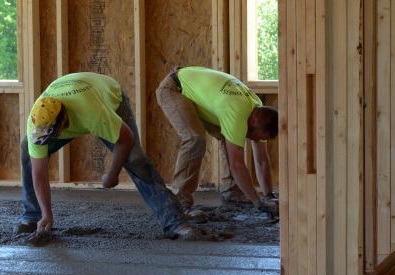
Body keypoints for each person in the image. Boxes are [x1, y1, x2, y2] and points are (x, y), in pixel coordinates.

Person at [19, 71, 196, 243]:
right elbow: (39, 172)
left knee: (135, 160)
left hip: (110, 97)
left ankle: (175, 222)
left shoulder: (90, 112)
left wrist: (113, 173)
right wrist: (46, 213)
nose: (46, 140)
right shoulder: (37, 121)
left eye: (51, 134)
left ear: (63, 120)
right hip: (78, 97)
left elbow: (125, 139)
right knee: (28, 150)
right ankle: (34, 217)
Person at [155, 66, 278, 216]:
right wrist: (258, 203)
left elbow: (262, 161)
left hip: (197, 93)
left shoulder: (257, 109)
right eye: (260, 136)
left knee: (226, 136)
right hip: (174, 89)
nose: (258, 140)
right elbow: (237, 165)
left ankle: (232, 193)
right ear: (255, 121)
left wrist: (269, 196)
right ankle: (180, 205)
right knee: (195, 138)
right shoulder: (237, 113)